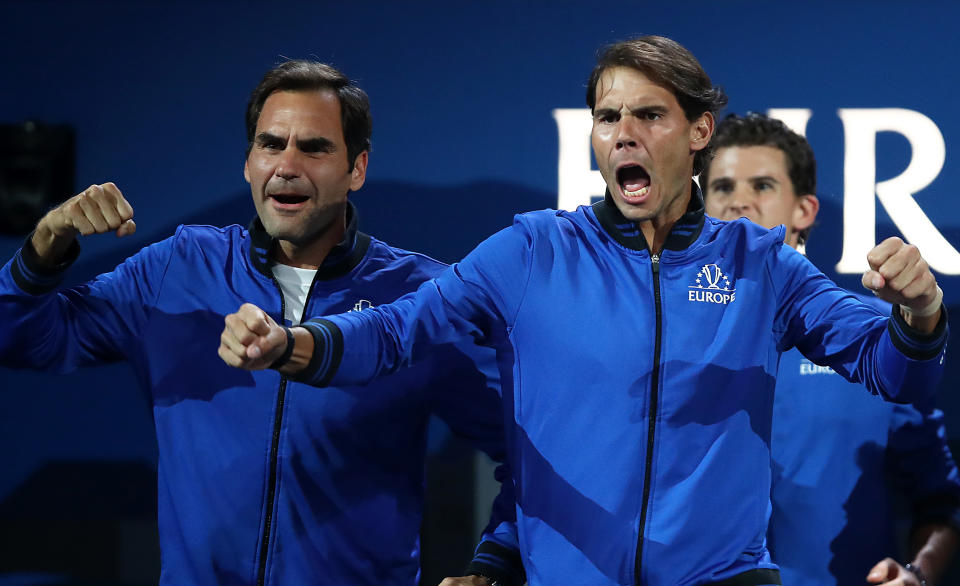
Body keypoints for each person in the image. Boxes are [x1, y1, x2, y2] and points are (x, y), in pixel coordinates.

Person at [220, 37, 948, 586]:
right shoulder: (532, 251)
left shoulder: (760, 264)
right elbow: (396, 330)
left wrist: (917, 312)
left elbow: (891, 370)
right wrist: (293, 344)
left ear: (700, 133)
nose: (623, 133)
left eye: (650, 115)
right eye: (608, 117)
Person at [0, 60, 520, 586]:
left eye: (314, 148)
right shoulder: (178, 269)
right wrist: (47, 243)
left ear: (357, 169)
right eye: (271, 145)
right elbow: (19, 339)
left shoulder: (419, 297)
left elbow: (532, 455)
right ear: (248, 162)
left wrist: (493, 567)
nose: (286, 165)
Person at [701, 112, 960, 586]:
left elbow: (942, 504)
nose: (738, 202)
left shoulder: (878, 335)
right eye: (721, 188)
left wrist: (916, 574)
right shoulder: (664, 334)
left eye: (761, 186)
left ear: (804, 211)